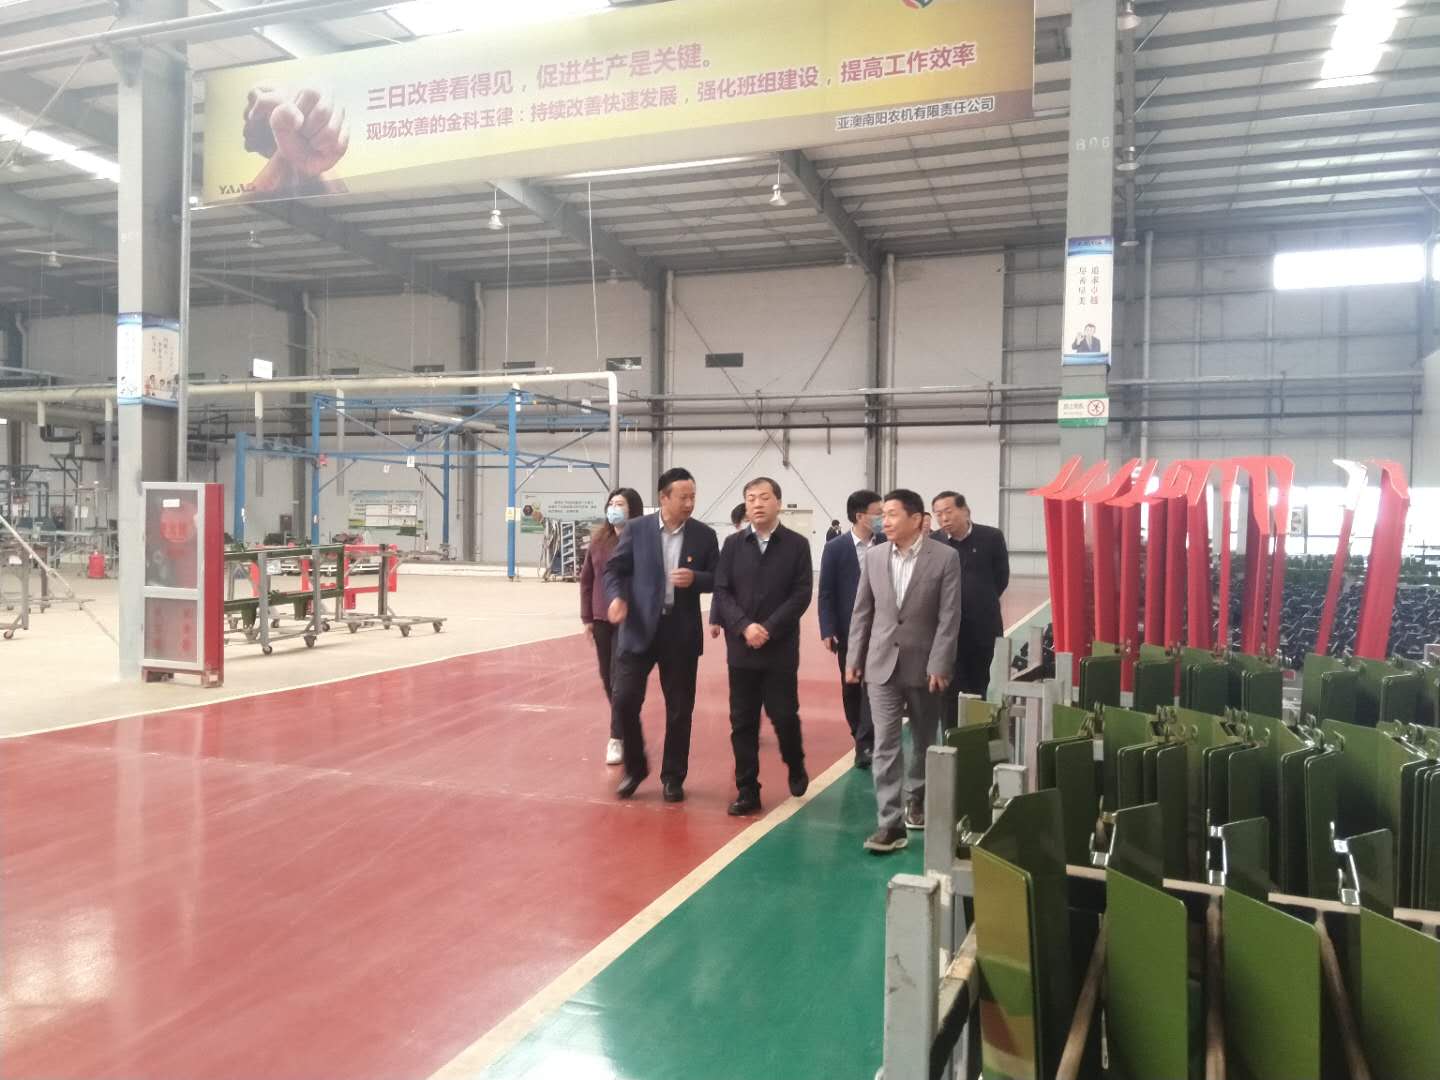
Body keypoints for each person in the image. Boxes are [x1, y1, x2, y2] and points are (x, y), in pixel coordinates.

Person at [846, 489, 961, 853]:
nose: (885, 521)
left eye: (893, 514)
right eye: (883, 515)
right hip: (881, 664)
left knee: (924, 740)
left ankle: (917, 797)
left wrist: (940, 662)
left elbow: (949, 616)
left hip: (925, 666)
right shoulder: (875, 556)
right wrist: (854, 658)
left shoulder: (945, 558)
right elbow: (862, 612)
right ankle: (890, 823)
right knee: (885, 743)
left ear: (916, 519)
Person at [606, 467, 720, 802]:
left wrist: (696, 579)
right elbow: (615, 569)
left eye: (693, 497)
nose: (690, 503)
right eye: (683, 497)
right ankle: (635, 768)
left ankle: (673, 777)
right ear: (663, 498)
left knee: (680, 709)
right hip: (638, 628)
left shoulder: (704, 535)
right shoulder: (637, 529)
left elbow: (719, 578)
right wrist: (617, 598)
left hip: (680, 632)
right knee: (624, 700)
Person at [712, 477, 814, 816]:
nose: (757, 504)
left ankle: (795, 763)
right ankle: (747, 790)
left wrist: (768, 628)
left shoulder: (796, 545)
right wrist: (744, 626)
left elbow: (801, 593)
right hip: (741, 650)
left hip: (779, 649)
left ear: (778, 503)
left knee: (784, 715)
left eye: (764, 497)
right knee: (742, 722)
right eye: (751, 498)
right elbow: (722, 590)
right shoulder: (732, 545)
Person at [580, 487, 646, 765]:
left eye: (620, 504)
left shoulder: (643, 540)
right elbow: (586, 580)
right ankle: (626, 720)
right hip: (601, 619)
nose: (614, 508)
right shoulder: (598, 541)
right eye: (611, 504)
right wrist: (587, 618)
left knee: (621, 678)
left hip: (630, 620)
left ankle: (616, 737)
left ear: (633, 510)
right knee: (608, 678)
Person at [818, 488, 882, 769]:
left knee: (874, 685)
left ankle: (866, 743)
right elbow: (826, 592)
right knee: (851, 686)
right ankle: (859, 734)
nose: (882, 519)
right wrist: (827, 628)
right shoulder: (836, 548)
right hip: (848, 630)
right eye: (878, 514)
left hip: (881, 629)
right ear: (860, 516)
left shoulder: (886, 543)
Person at [932, 491, 1010, 718]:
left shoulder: (991, 537)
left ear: (965, 511)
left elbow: (1001, 578)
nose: (944, 518)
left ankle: (974, 732)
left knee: (978, 685)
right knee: (949, 689)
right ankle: (951, 734)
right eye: (938, 514)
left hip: (982, 627)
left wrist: (979, 599)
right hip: (946, 631)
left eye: (948, 512)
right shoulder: (933, 542)